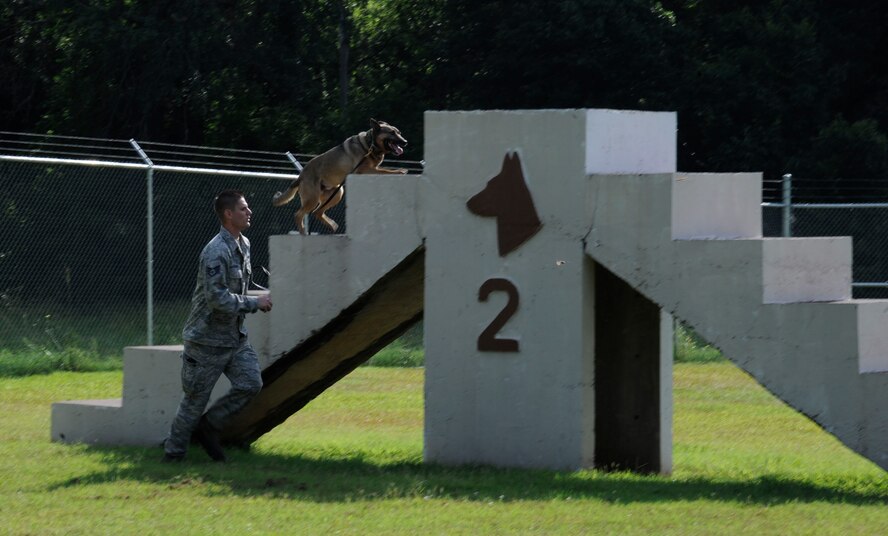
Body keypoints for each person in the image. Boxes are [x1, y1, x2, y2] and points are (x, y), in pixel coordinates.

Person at [162, 189, 272, 462]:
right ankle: (173, 455)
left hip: (234, 338)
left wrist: (260, 295)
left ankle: (209, 426)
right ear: (228, 214)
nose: (249, 212)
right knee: (194, 401)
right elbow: (217, 298)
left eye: (247, 208)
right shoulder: (215, 251)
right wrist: (253, 304)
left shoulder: (244, 244)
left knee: (250, 383)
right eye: (244, 209)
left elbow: (240, 286)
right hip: (206, 341)